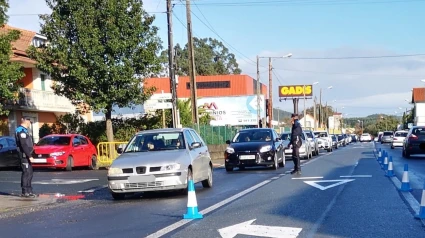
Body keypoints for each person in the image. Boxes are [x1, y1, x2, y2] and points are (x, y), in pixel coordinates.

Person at [15, 117, 37, 198]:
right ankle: (25, 191)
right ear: (25, 121)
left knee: (30, 173)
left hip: (27, 155)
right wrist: (29, 156)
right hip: (24, 155)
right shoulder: (20, 130)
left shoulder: (25, 130)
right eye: (29, 121)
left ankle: (29, 190)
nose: (29, 123)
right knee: (26, 172)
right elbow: (23, 145)